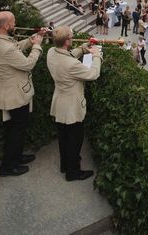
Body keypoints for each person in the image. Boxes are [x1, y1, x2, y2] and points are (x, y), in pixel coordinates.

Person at [0, 11, 44, 177]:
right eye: (13, 22)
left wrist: (31, 39)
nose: (15, 24)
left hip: (9, 91)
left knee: (16, 129)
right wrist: (37, 46)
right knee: (16, 131)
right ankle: (7, 167)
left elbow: (15, 48)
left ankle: (17, 158)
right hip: (15, 94)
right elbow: (27, 64)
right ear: (6, 26)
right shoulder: (5, 47)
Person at [47, 26, 102, 181]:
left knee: (63, 137)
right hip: (72, 106)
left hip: (59, 102)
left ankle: (65, 165)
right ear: (66, 41)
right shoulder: (72, 65)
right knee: (74, 141)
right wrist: (97, 56)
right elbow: (93, 74)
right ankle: (73, 172)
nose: (72, 39)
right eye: (71, 37)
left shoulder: (51, 52)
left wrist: (82, 49)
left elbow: (68, 55)